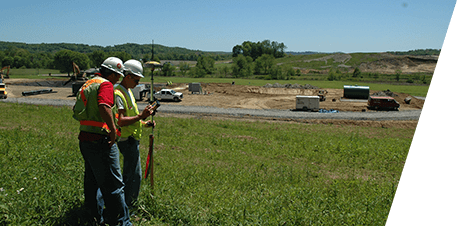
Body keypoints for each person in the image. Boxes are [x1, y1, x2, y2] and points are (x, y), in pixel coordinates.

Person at [73, 57, 132, 226]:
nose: (119, 80)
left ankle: (93, 218)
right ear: (112, 74)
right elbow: (104, 106)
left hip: (85, 138)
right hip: (102, 139)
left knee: (92, 181)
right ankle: (122, 222)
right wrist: (113, 131)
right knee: (115, 185)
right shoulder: (105, 84)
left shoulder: (89, 84)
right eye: (118, 76)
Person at [114, 59, 155, 207]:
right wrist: (141, 116)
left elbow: (134, 117)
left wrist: (144, 123)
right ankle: (128, 207)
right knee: (132, 176)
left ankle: (126, 206)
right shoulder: (118, 93)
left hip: (133, 138)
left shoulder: (129, 92)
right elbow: (121, 121)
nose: (138, 83)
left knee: (132, 174)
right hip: (126, 140)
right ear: (128, 76)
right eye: (136, 79)